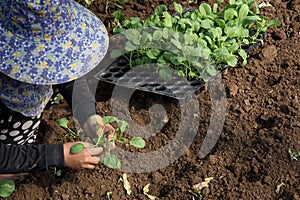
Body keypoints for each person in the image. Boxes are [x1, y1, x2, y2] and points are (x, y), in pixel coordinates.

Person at [0, 0, 115, 180]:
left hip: (19, 114)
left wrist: (89, 115)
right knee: (9, 173)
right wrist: (57, 155)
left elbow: (67, 73)